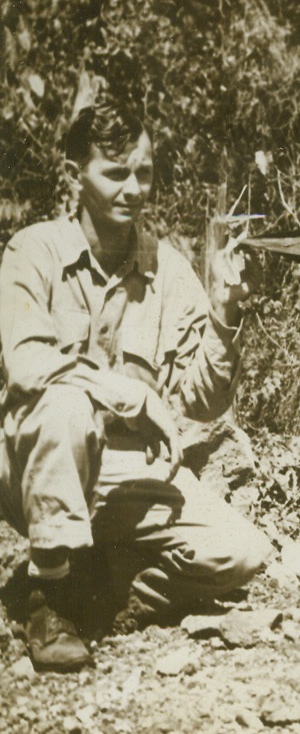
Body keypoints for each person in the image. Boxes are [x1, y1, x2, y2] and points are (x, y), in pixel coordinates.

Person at [0, 99, 272, 672]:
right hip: (33, 462)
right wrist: (127, 393)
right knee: (67, 407)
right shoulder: (33, 251)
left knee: (242, 554)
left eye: (143, 172)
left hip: (130, 476)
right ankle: (48, 598)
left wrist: (224, 315)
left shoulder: (167, 268)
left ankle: (109, 596)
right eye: (115, 172)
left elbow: (203, 402)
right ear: (76, 177)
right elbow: (27, 366)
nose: (133, 188)